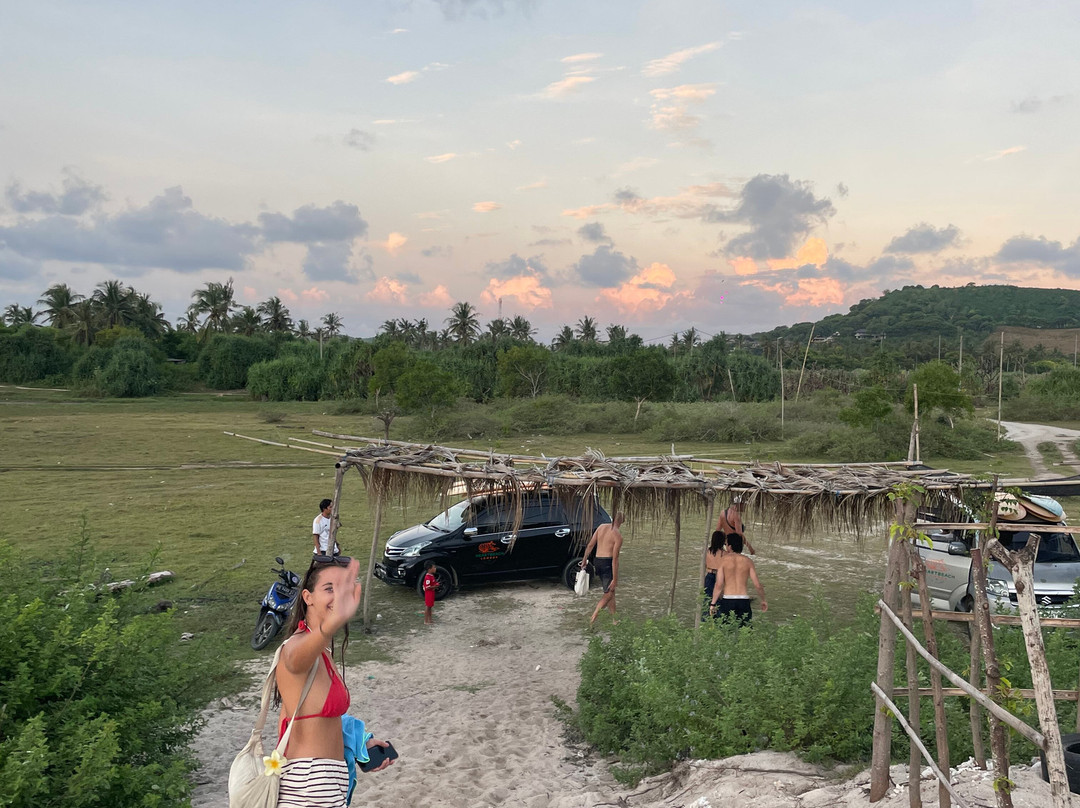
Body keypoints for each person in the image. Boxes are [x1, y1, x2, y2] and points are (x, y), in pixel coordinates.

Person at [274, 557, 393, 806]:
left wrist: (362, 742)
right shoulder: (295, 647)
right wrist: (331, 624)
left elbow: (323, 719)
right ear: (308, 597)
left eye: (343, 588)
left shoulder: (322, 651)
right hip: (309, 783)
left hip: (328, 780)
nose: (338, 596)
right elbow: (293, 660)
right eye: (329, 589)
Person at [709, 533, 767, 626]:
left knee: (726, 632)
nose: (726, 547)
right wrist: (763, 600)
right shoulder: (748, 561)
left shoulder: (723, 561)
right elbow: (757, 584)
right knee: (746, 632)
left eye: (726, 544)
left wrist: (712, 604)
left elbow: (719, 585)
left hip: (728, 600)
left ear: (730, 546)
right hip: (743, 600)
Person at [579, 512, 625, 626]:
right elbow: (615, 559)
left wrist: (584, 559)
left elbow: (590, 545)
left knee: (610, 592)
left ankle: (615, 619)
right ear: (622, 522)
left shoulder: (601, 527)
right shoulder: (618, 536)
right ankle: (594, 617)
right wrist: (615, 578)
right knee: (608, 594)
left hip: (597, 561)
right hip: (607, 563)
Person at [703, 529, 726, 618]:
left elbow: (705, 564)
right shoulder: (725, 554)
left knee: (707, 600)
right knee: (719, 601)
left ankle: (705, 621)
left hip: (709, 575)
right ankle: (718, 622)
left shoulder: (708, 551)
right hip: (720, 577)